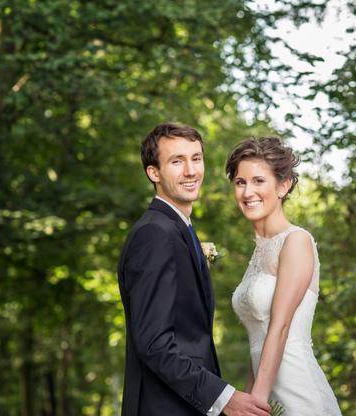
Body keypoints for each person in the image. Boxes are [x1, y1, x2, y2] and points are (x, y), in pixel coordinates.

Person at [118, 123, 270, 416]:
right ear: (154, 172)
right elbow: (154, 343)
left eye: (196, 158)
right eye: (177, 161)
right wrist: (223, 398)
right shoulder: (154, 234)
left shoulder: (178, 229)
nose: (191, 171)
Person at [227, 136, 341, 415]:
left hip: (300, 397)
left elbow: (280, 326)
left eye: (258, 181)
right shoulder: (258, 253)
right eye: (240, 182)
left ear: (283, 185)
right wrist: (249, 398)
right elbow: (258, 341)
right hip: (264, 393)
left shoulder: (296, 241)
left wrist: (258, 402)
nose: (248, 192)